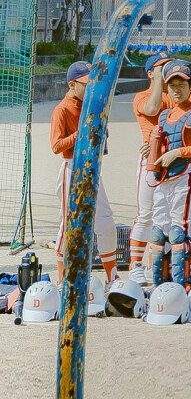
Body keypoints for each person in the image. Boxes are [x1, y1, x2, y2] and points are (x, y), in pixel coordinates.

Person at [145, 60, 191, 287]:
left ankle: (180, 285)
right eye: (172, 85)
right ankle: (159, 285)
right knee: (158, 233)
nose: (177, 90)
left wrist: (178, 152)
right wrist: (150, 148)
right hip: (163, 177)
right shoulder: (164, 115)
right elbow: (161, 142)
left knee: (178, 233)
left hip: (184, 175)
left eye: (182, 85)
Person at [50, 61, 117, 284]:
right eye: (85, 84)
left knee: (106, 221)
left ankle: (112, 277)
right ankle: (61, 281)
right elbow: (56, 146)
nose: (90, 87)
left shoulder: (91, 103)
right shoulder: (62, 109)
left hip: (92, 168)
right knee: (69, 224)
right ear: (72, 84)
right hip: (72, 168)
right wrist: (80, 133)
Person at [129, 50, 168, 269]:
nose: (165, 70)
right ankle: (135, 267)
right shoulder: (141, 97)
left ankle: (157, 268)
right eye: (160, 67)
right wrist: (159, 80)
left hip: (172, 162)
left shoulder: (174, 95)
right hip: (150, 160)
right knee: (145, 214)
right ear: (150, 73)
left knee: (164, 218)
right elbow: (152, 109)